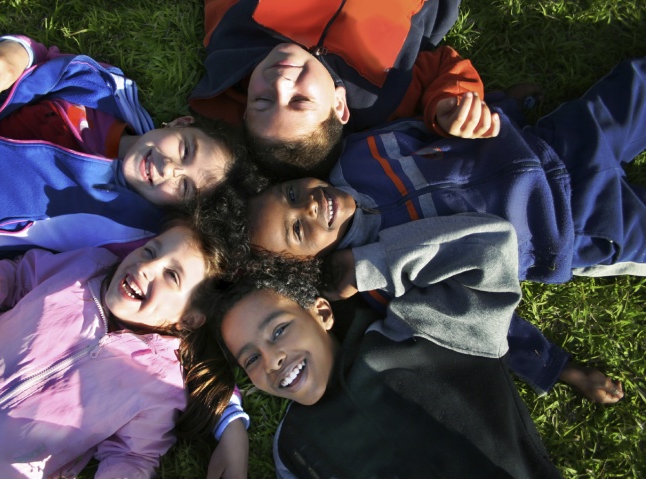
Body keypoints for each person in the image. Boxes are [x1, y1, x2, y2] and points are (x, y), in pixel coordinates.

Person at [240, 57, 646, 403]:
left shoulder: (358, 155)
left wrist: (505, 107)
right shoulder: (382, 283)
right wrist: (560, 370)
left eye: (292, 193)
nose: (308, 206)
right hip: (577, 227)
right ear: (309, 265)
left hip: (557, 143)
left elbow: (437, 129)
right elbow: (483, 322)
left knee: (636, 85)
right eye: (298, 230)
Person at [201, 213, 562, 478]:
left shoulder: (426, 330)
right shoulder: (293, 448)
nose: (272, 359)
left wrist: (363, 267)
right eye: (250, 358)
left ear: (322, 313)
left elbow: (490, 246)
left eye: (278, 331)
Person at [0, 213, 249, 479]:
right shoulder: (83, 269)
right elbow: (17, 280)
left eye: (172, 275)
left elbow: (132, 454)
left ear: (190, 319)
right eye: (150, 251)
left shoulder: (161, 385)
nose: (146, 267)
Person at [0, 38, 246, 265]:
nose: (169, 168)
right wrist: (14, 53)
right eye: (186, 150)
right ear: (180, 122)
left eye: (185, 186)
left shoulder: (127, 229)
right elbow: (45, 60)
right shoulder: (106, 90)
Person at [189, 0, 502, 178]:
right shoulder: (382, 95)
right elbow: (443, 65)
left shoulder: (235, 31)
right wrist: (449, 102)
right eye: (299, 100)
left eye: (263, 99)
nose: (281, 83)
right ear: (339, 106)